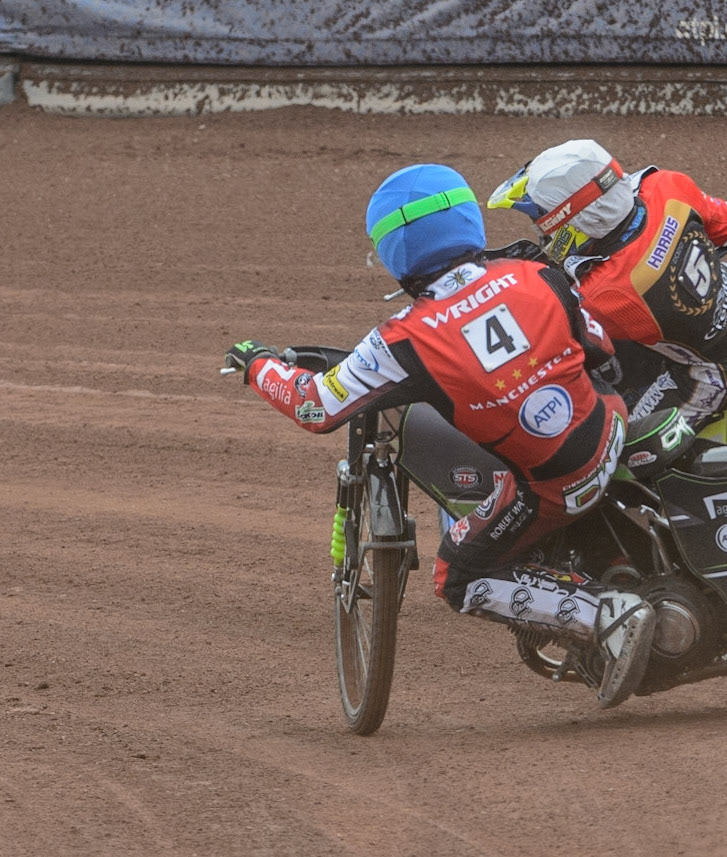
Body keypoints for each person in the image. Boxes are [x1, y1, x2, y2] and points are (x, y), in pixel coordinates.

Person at [224, 163, 656, 709]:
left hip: (556, 484)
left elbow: (316, 406)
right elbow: (598, 347)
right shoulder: (534, 271)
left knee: (457, 576)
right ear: (468, 219)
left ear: (396, 251)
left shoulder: (403, 339)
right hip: (612, 423)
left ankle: (608, 616)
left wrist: (257, 365)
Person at [488, 139, 727, 426]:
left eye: (542, 223)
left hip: (721, 371)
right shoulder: (667, 185)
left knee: (617, 446)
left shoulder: (606, 295)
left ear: (574, 222)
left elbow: (553, 345)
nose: (541, 232)